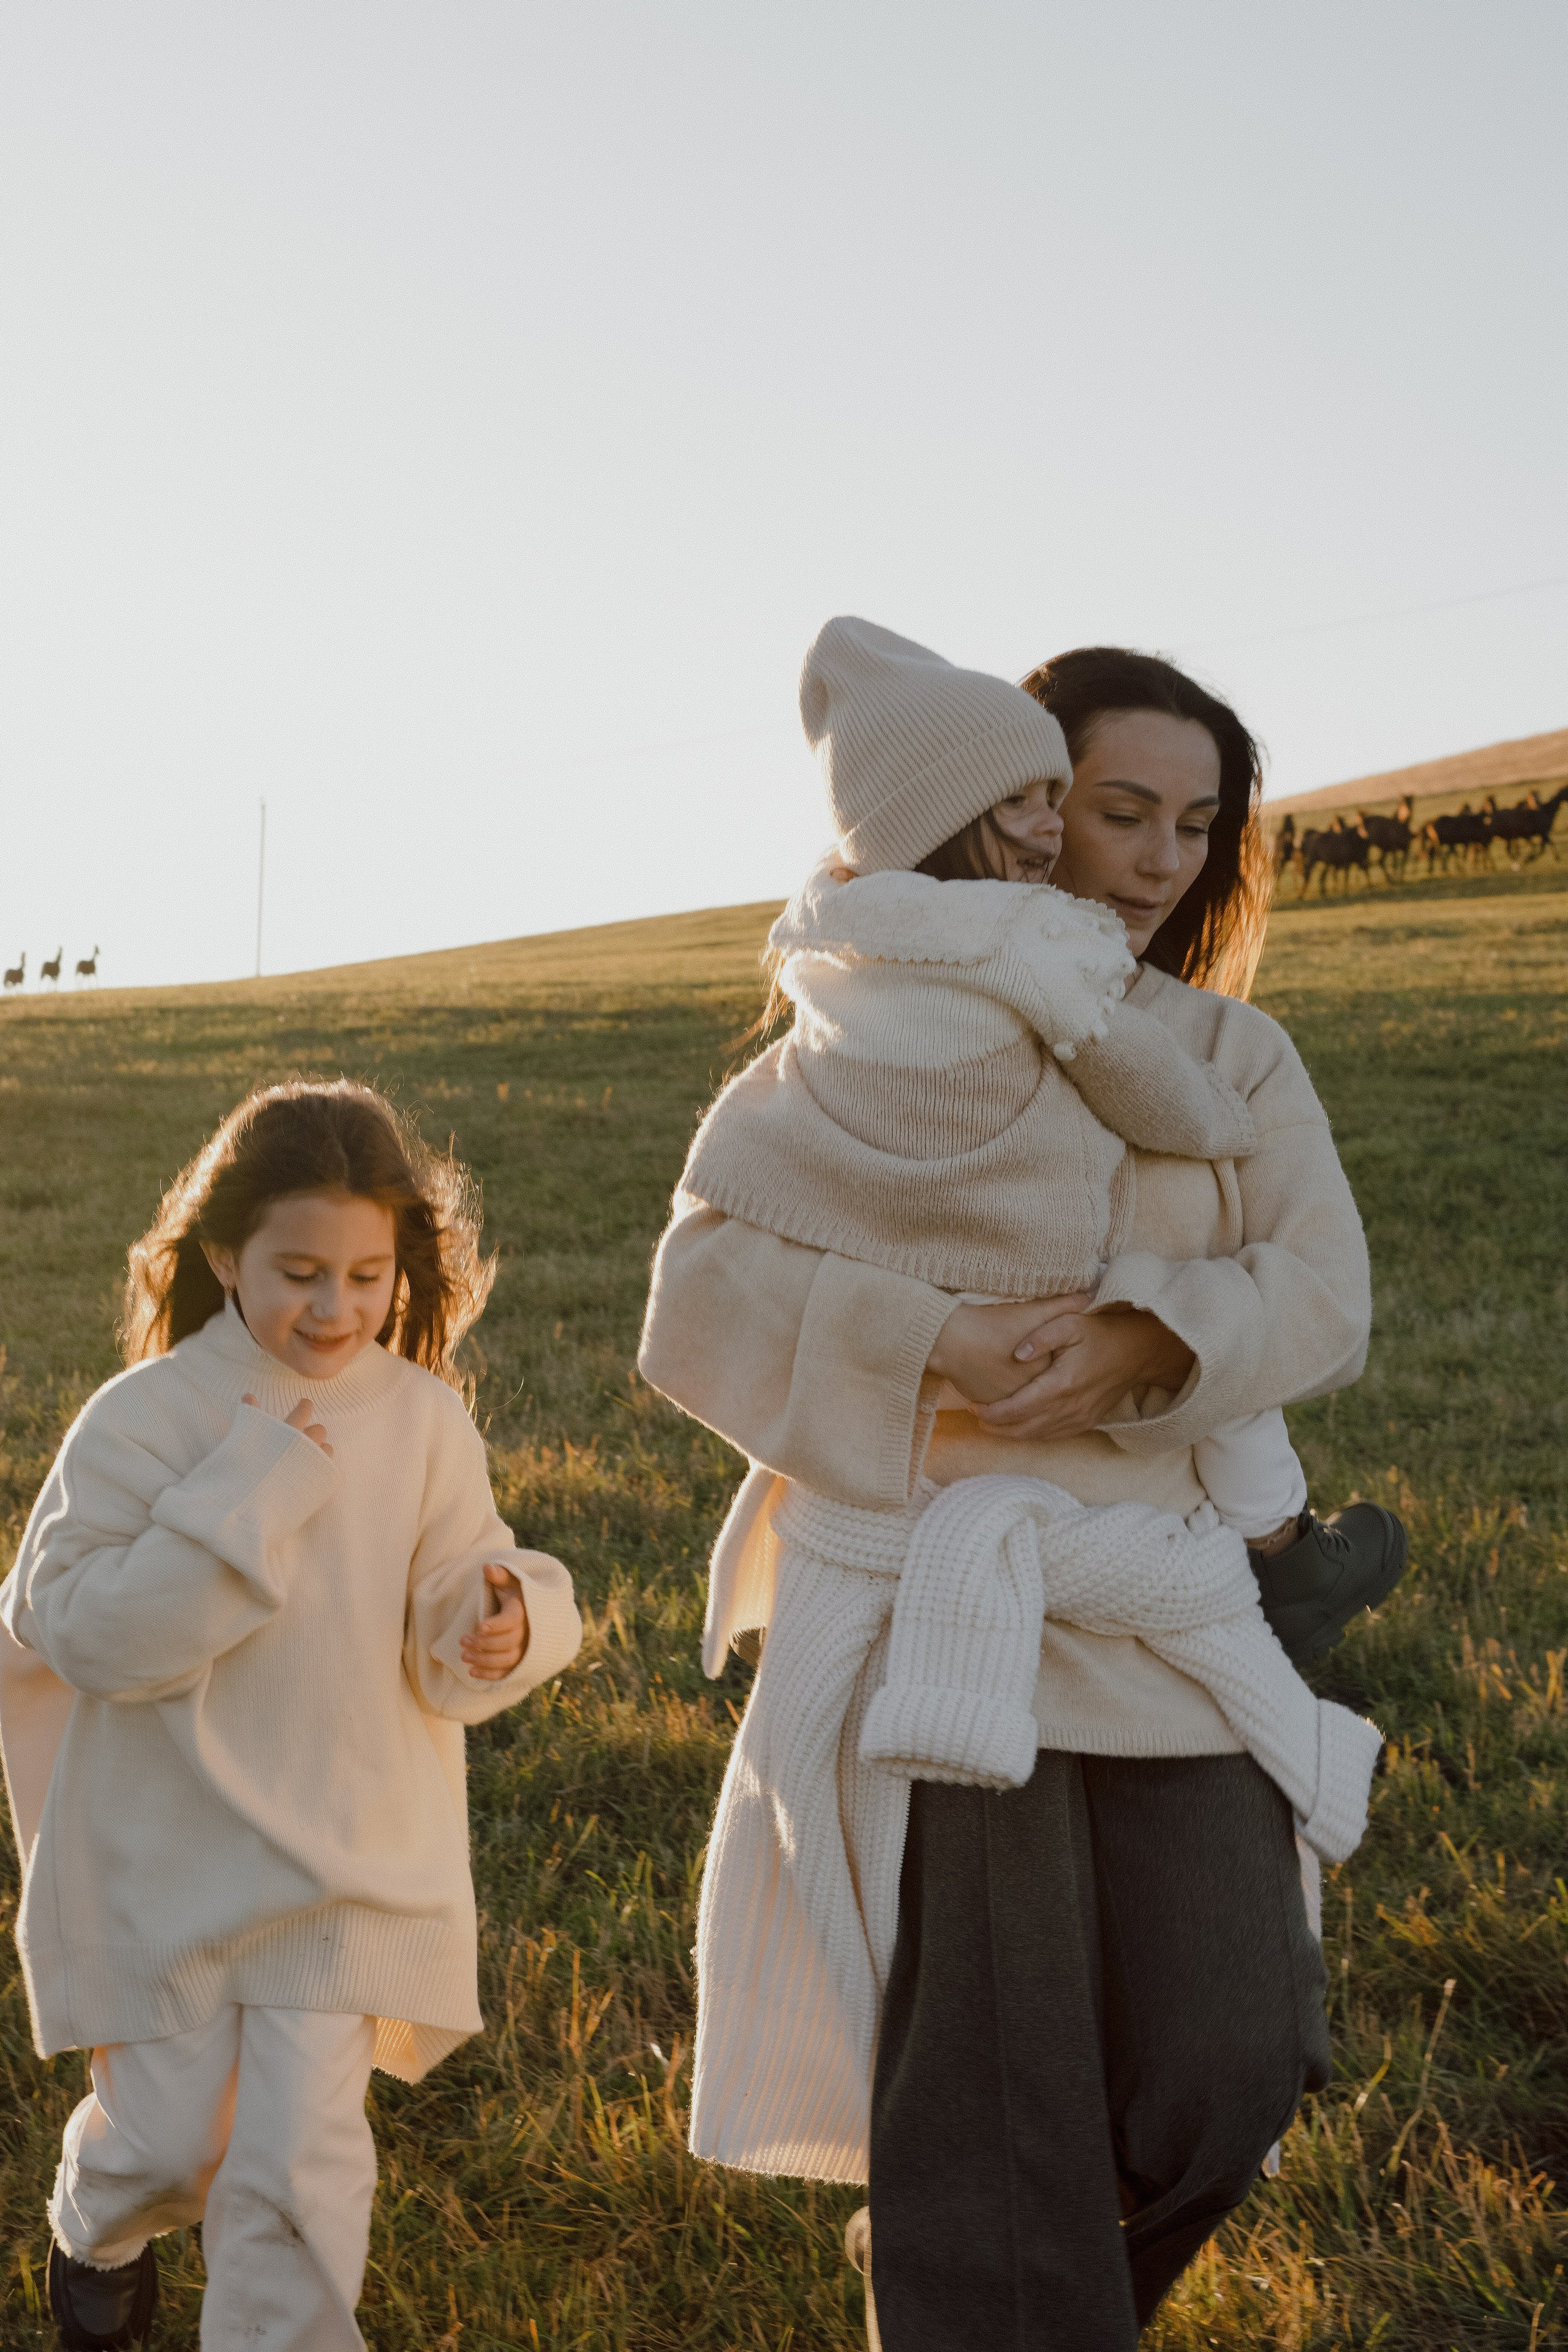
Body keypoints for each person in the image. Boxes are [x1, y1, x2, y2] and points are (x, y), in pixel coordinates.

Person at [638, 622, 1402, 2348]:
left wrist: (1154, 1338)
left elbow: (1322, 1285)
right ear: (1016, 808)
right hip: (938, 1613)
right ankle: (977, 2276)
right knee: (990, 2101)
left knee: (1230, 2067)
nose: (1146, 857)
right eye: (1112, 807)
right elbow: (702, 1297)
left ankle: (980, 2279)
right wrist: (927, 1336)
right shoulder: (858, 1045)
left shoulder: (1229, 1057)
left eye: (1193, 826)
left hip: (1157, 1603)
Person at [0, 1080, 582, 2352]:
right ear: (224, 1255)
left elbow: (457, 1576)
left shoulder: (423, 1419)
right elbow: (90, 1633)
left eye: (367, 1276)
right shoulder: (145, 1419)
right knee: (169, 2142)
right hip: (171, 1852)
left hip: (345, 1857)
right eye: (301, 1272)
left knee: (298, 2166)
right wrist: (252, 1489)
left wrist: (498, 1613)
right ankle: (95, 2227)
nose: (337, 1310)